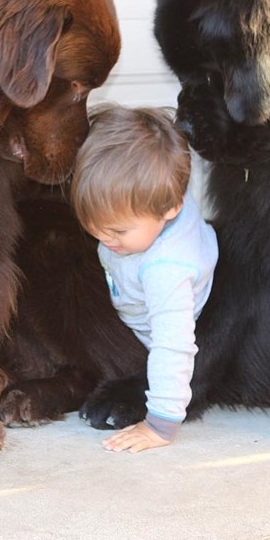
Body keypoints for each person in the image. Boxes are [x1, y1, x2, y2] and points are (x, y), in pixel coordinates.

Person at [71, 104, 218, 452]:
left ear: (171, 207)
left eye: (118, 230)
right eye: (93, 224)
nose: (105, 237)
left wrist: (160, 424)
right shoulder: (153, 205)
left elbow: (174, 345)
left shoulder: (166, 271)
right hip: (130, 290)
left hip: (150, 331)